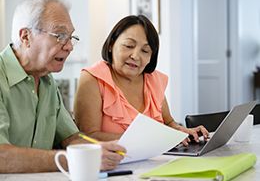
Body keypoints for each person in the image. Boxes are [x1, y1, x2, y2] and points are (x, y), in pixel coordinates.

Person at [0, 0, 125, 173]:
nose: (69, 47)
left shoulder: (47, 82)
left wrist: (111, 149)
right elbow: (2, 157)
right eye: (60, 36)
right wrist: (76, 160)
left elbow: (72, 139)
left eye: (70, 37)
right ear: (26, 37)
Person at [74, 15, 209, 144]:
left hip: (156, 161)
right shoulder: (92, 79)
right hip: (112, 164)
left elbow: (169, 123)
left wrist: (183, 132)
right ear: (111, 45)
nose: (136, 56)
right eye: (128, 46)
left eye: (145, 51)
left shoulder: (153, 80)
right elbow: (87, 137)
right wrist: (146, 141)